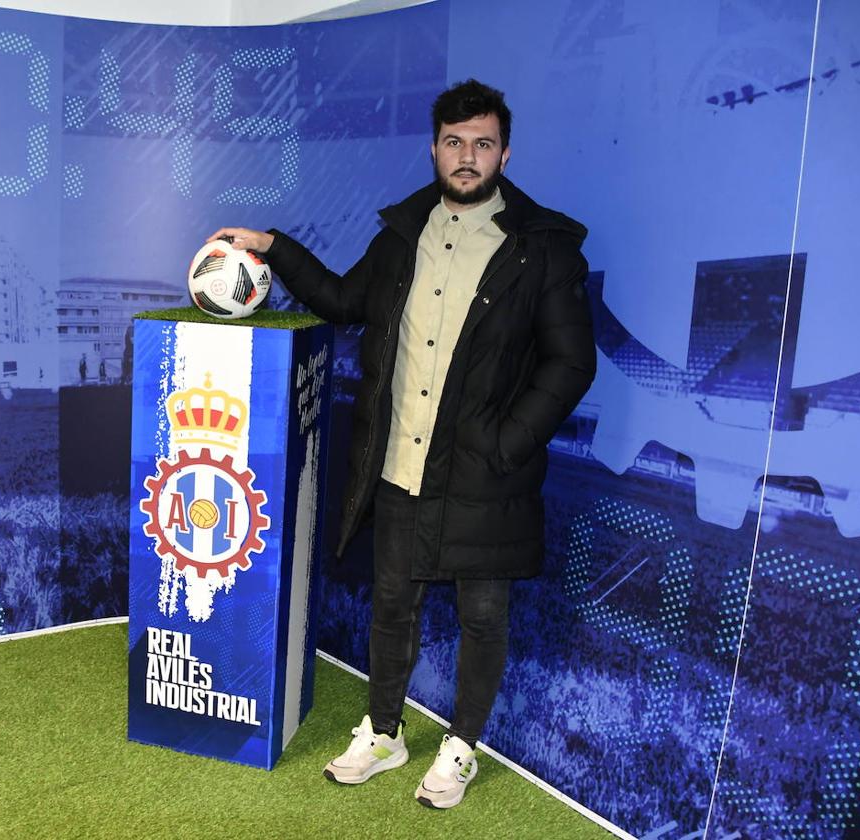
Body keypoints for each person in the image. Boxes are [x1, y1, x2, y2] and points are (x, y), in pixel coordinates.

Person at [208, 79, 596, 810]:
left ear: (505, 152)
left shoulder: (542, 249)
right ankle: (382, 733)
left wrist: (508, 441)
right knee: (393, 606)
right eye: (454, 142)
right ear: (435, 147)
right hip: (399, 465)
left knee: (482, 618)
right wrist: (271, 248)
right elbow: (342, 301)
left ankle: (460, 748)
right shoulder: (402, 234)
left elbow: (571, 362)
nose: (468, 156)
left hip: (488, 477)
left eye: (483, 143)